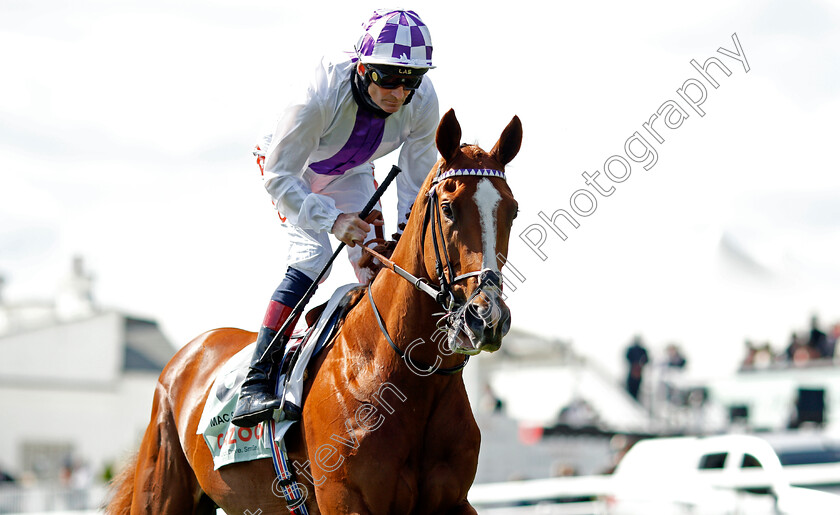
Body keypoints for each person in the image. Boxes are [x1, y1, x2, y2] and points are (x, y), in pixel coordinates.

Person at [231, 9, 440, 428]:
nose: (399, 93)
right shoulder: (318, 95)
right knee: (312, 258)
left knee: (378, 261)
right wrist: (332, 221)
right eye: (388, 77)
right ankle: (256, 381)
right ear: (363, 68)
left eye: (411, 80)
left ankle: (389, 374)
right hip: (291, 168)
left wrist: (400, 238)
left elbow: (415, 185)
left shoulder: (423, 101)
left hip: (352, 170)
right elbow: (280, 177)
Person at [625, 335, 648, 401]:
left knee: (636, 389)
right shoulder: (631, 349)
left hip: (639, 372)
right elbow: (627, 357)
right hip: (632, 371)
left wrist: (641, 363)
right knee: (630, 388)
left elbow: (647, 359)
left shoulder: (642, 350)